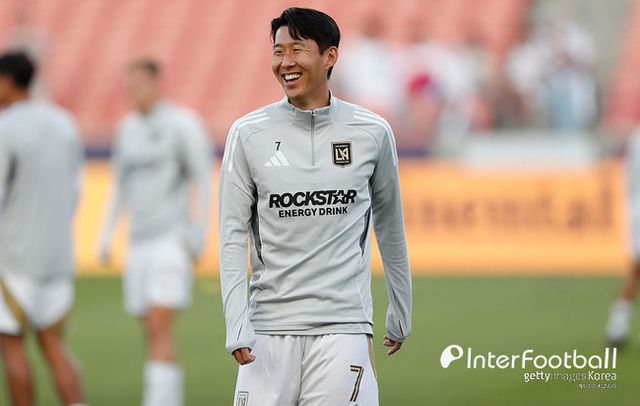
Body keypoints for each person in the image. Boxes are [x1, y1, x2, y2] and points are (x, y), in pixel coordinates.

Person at [219, 8, 412, 405]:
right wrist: (236, 322)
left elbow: (390, 226)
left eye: (297, 49)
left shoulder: (372, 132)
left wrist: (400, 305)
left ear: (330, 56)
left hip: (343, 326)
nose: (285, 62)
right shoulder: (248, 134)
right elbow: (232, 234)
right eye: (278, 51)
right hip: (267, 330)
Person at [98, 58, 212, 406]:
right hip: (138, 241)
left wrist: (199, 235)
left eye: (137, 84)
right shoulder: (127, 129)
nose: (132, 92)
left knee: (160, 324)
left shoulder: (183, 124)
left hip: (170, 239)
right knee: (149, 326)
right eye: (128, 86)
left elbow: (203, 180)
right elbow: (119, 184)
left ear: (156, 83)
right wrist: (106, 234)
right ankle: (166, 394)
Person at [0, 52, 85, 406]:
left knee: (12, 346)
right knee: (54, 346)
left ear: (7, 81)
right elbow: (75, 190)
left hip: (14, 258)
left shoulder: (5, 126)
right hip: (58, 258)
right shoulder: (64, 122)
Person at [606, 129, 640, 346]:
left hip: (635, 208)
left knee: (636, 269)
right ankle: (617, 324)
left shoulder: (636, 136)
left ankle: (617, 324)